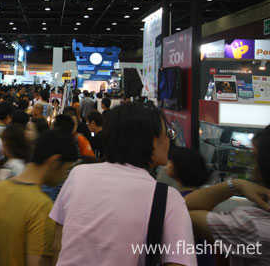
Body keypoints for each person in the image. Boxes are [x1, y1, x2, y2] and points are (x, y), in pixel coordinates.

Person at [50, 103, 196, 266]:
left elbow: (57, 245)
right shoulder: (168, 199)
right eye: (167, 134)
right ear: (151, 140)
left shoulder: (78, 174)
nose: (169, 140)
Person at [0, 129, 79, 266]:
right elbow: (37, 261)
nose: (64, 177)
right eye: (66, 171)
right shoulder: (42, 207)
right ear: (55, 161)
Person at [187, 124, 270, 265]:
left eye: (255, 160)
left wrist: (235, 185)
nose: (253, 168)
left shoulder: (252, 225)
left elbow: (185, 208)